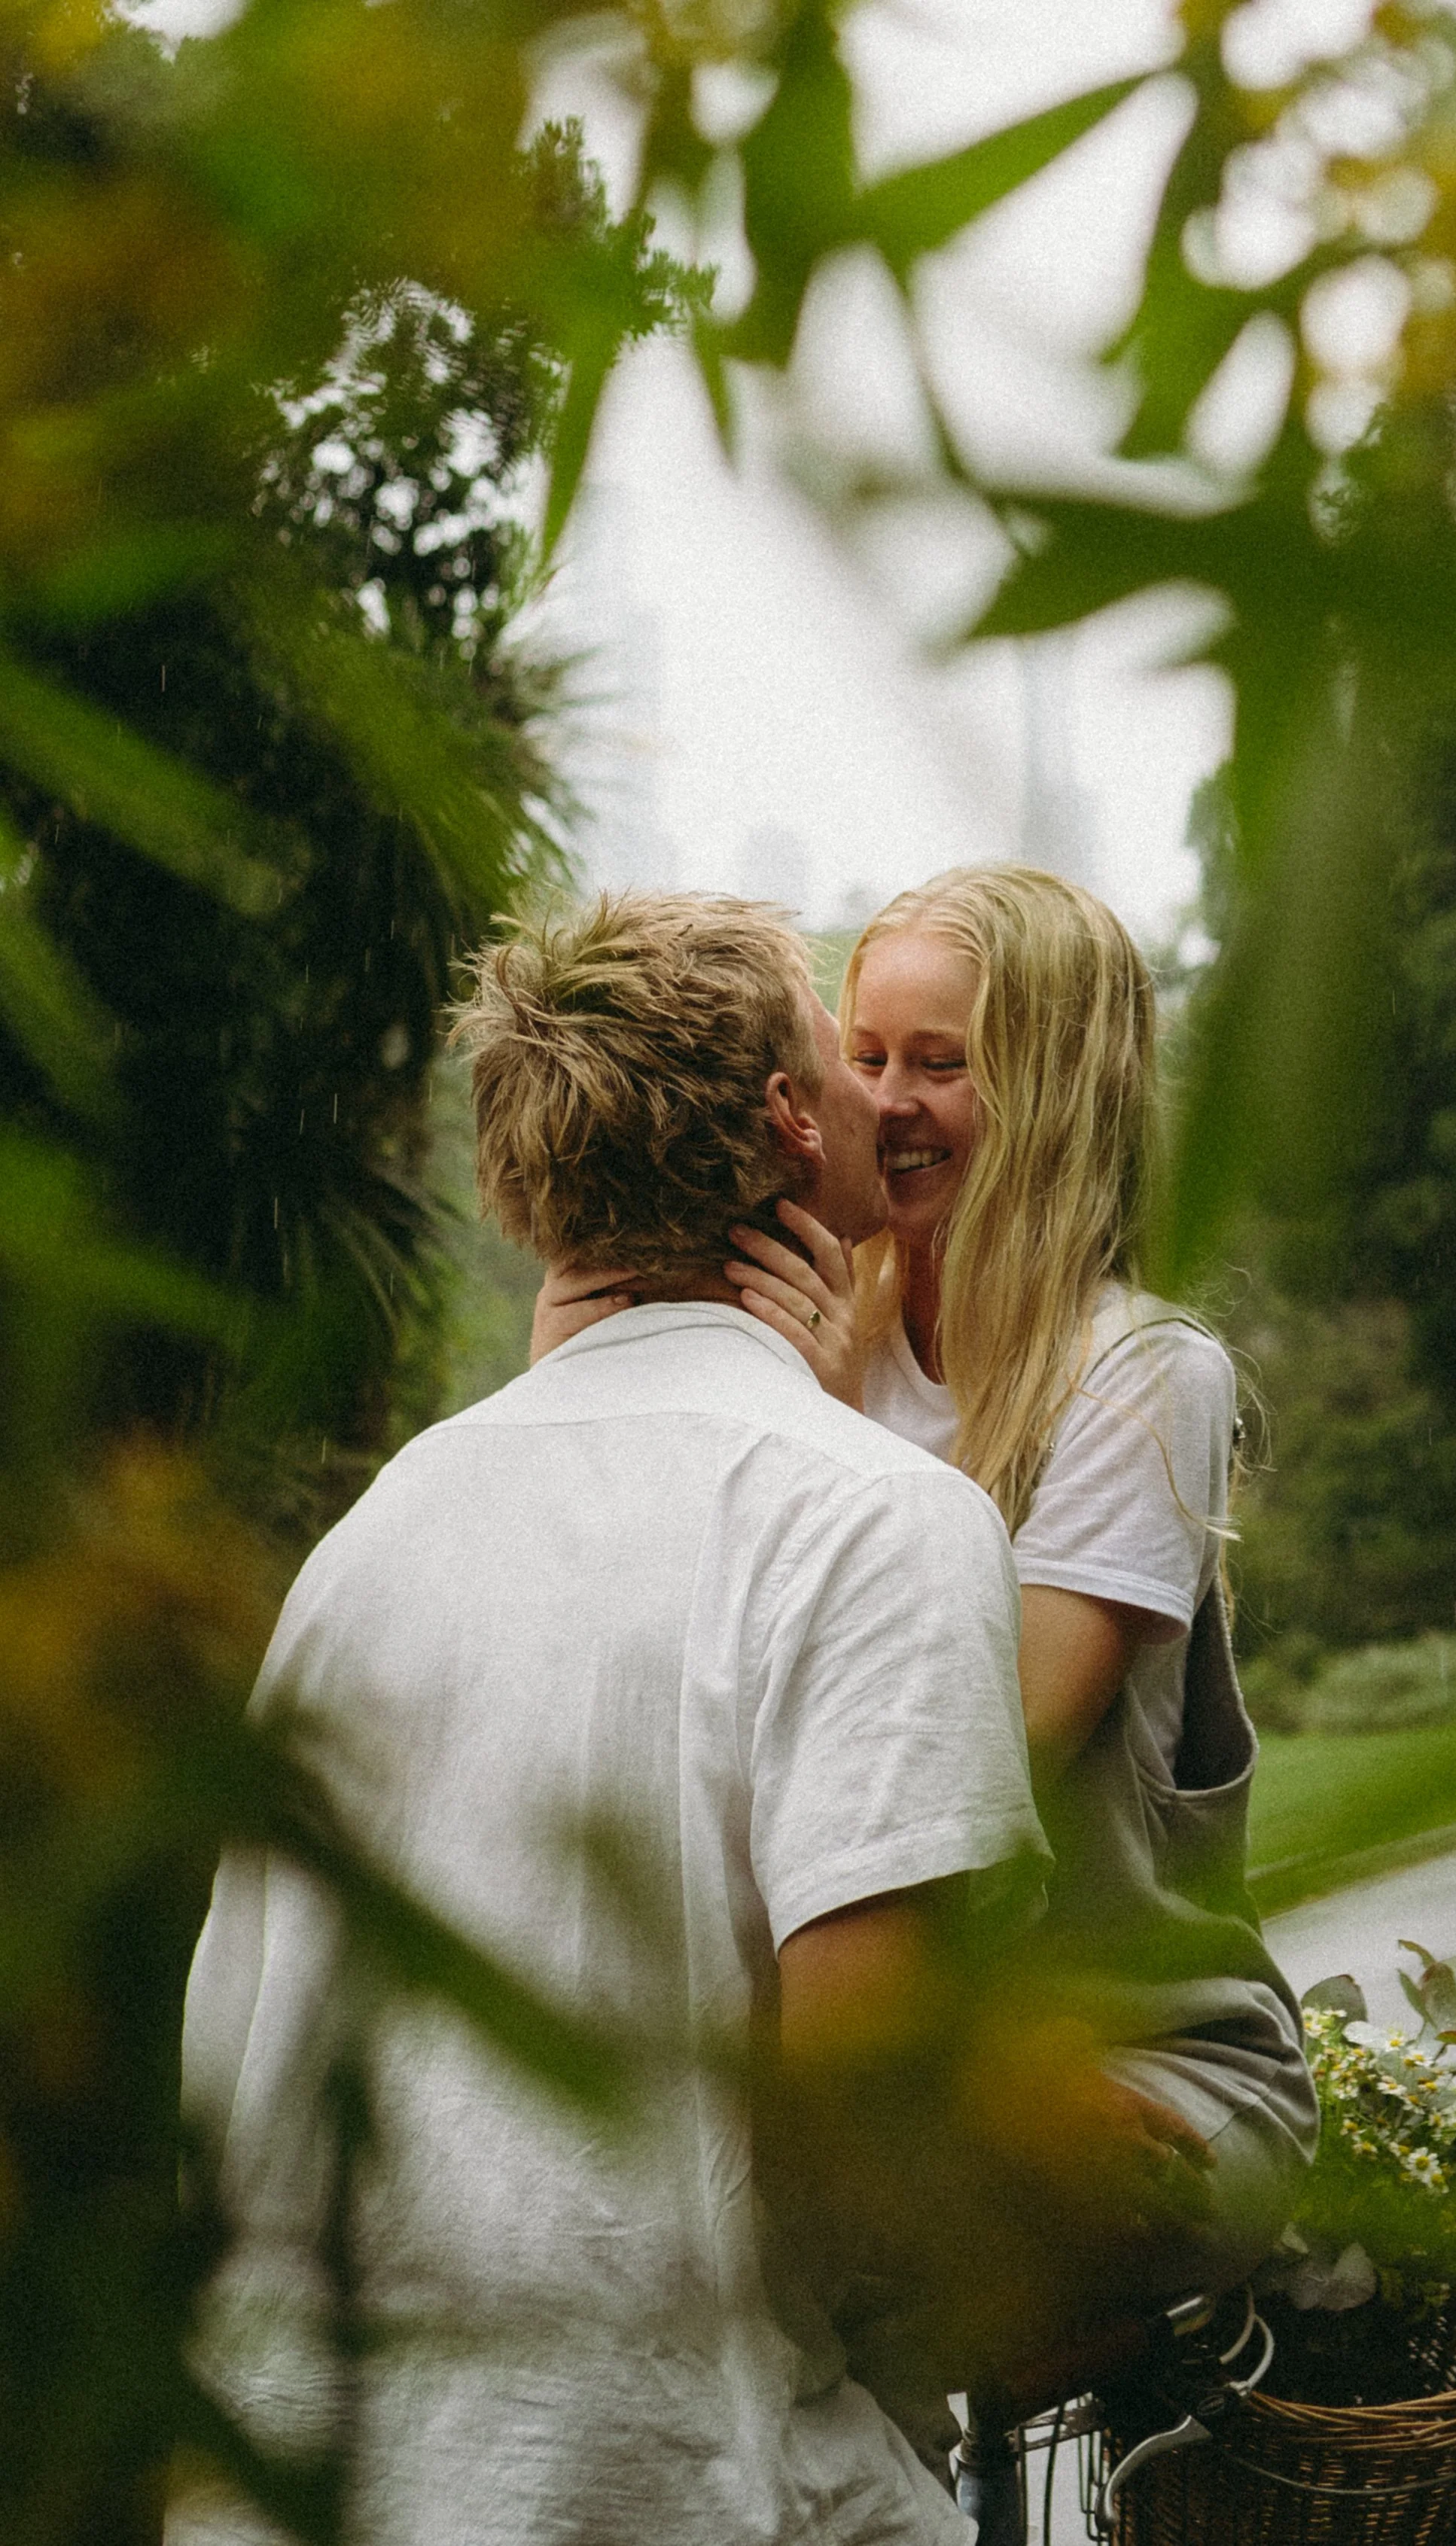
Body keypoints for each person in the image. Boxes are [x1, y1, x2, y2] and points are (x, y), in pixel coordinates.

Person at [167, 891, 1199, 2546]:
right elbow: (862, 2123)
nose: (878, 1095)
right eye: (840, 1052)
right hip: (654, 2477)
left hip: (285, 2474)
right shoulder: (871, 1519)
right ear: (791, 1116)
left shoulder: (374, 1531)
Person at [535, 866, 1318, 2334]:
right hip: (861, 2032)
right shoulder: (802, 1315)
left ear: (1052, 1089)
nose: (888, 1101)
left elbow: (965, 1761)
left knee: (835, 2218)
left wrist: (821, 1434)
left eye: (940, 1063)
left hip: (1128, 2047)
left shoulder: (1138, 1373)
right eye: (867, 1055)